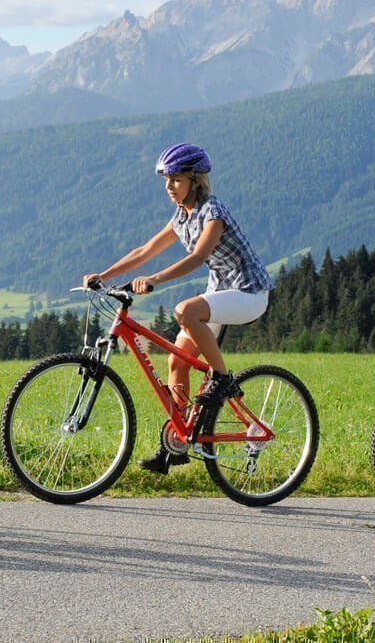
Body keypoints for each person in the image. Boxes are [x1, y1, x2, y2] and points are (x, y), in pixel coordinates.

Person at [84, 143, 273, 474]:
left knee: (185, 310)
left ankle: (223, 379)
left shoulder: (213, 211)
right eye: (166, 180)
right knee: (177, 362)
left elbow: (199, 257)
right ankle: (178, 443)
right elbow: (145, 250)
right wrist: (104, 275)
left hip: (248, 293)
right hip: (220, 294)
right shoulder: (182, 216)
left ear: (195, 180)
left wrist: (154, 279)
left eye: (175, 180)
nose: (169, 187)